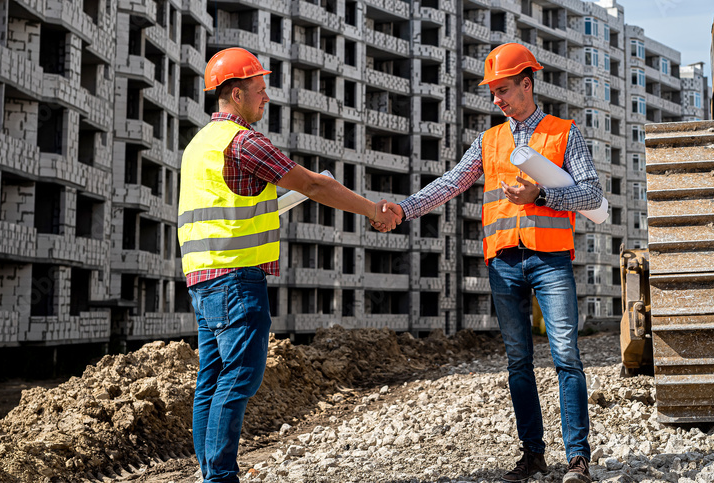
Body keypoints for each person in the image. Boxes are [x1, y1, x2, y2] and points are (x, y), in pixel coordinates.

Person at [378, 43, 601, 483]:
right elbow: (450, 184)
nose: (496, 100)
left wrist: (543, 195)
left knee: (566, 356)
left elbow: (591, 195)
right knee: (518, 361)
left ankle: (578, 459)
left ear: (527, 84)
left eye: (503, 90)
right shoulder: (489, 140)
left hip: (550, 260)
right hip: (503, 263)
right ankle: (533, 455)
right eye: (492, 93)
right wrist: (403, 210)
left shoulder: (563, 133)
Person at [178, 47, 401, 483]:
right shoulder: (243, 143)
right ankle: (220, 478)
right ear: (237, 94)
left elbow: (225, 208)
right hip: (236, 278)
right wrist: (374, 211)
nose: (267, 98)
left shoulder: (198, 144)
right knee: (240, 376)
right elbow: (313, 184)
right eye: (260, 90)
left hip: (202, 279)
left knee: (212, 379)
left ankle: (210, 474)